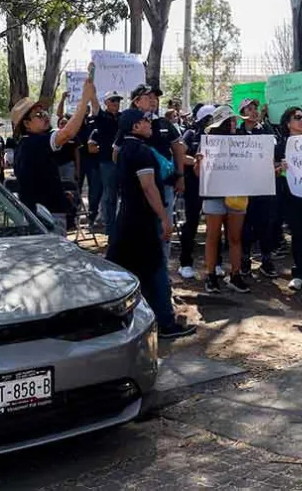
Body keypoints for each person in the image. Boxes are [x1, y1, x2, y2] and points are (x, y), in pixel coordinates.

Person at [105, 108, 196, 339]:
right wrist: (165, 217)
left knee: (121, 270)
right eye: (145, 121)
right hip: (143, 220)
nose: (150, 124)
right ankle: (166, 322)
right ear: (135, 126)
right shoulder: (142, 151)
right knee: (156, 270)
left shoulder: (124, 149)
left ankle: (115, 321)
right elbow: (148, 186)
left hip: (125, 219)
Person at [10, 73, 95, 224]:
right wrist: (85, 99)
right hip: (46, 217)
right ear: (26, 124)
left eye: (44, 112)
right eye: (38, 114)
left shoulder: (28, 144)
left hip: (43, 214)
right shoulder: (33, 143)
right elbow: (67, 133)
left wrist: (61, 194)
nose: (45, 116)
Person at [127, 84, 186, 264]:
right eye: (148, 96)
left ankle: (162, 271)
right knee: (140, 229)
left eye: (156, 97)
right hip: (138, 189)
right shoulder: (127, 123)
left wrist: (181, 176)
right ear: (136, 101)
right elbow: (116, 154)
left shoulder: (164, 123)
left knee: (164, 228)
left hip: (165, 186)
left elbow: (178, 149)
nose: (154, 100)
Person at [195, 106, 251, 294]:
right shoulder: (207, 143)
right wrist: (199, 163)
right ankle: (210, 275)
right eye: (230, 121)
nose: (234, 124)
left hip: (236, 195)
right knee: (213, 237)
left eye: (235, 120)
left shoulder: (243, 142)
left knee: (235, 237)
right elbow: (198, 173)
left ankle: (235, 275)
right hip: (214, 194)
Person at [236, 98, 280, 277]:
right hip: (243, 187)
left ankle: (266, 260)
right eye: (249, 108)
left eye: (255, 108)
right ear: (241, 113)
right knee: (245, 225)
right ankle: (244, 259)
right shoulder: (236, 134)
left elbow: (274, 151)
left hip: (263, 185)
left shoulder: (266, 130)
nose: (253, 111)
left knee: (264, 223)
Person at [276, 106, 302, 291]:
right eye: (297, 117)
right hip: (292, 196)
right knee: (298, 235)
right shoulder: (282, 145)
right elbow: (272, 170)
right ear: (288, 123)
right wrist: (280, 168)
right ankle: (300, 273)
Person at [178, 104, 216, 280]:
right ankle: (185, 263)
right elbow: (180, 155)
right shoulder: (190, 134)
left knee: (215, 225)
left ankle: (216, 262)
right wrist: (195, 160)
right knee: (192, 223)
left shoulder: (220, 136)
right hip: (194, 185)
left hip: (214, 186)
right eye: (209, 118)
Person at [86, 91, 122, 236]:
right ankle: (110, 228)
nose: (116, 103)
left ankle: (121, 226)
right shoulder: (102, 117)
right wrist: (91, 92)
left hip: (123, 161)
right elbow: (95, 107)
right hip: (107, 162)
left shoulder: (123, 117)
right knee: (109, 195)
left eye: (118, 101)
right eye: (112, 100)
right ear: (106, 102)